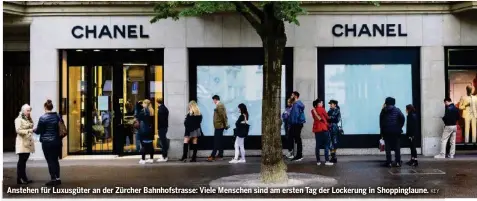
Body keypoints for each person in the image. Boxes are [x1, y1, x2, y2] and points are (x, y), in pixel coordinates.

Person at [34, 100, 62, 186]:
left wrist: (34, 130)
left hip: (47, 143)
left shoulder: (42, 118)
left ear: (45, 107)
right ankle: (58, 178)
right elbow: (61, 128)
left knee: (50, 161)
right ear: (52, 107)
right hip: (57, 142)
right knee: (55, 160)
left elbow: (38, 131)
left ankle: (53, 179)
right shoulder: (58, 116)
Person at [379, 97, 405, 167]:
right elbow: (402, 118)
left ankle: (389, 162)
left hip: (386, 131)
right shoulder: (397, 110)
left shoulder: (383, 110)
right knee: (397, 147)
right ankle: (398, 162)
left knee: (388, 147)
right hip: (396, 131)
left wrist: (382, 132)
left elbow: (381, 122)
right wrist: (400, 126)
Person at [15, 104, 35, 184]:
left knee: (24, 161)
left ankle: (24, 178)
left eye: (29, 110)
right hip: (22, 143)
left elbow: (31, 125)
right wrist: (29, 130)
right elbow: (18, 130)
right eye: (27, 110)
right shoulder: (18, 119)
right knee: (21, 161)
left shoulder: (28, 118)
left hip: (28, 142)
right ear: (23, 111)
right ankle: (20, 178)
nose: (29, 112)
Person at [312, 99, 333, 166]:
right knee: (326, 144)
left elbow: (315, 118)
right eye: (322, 103)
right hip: (323, 128)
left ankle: (318, 161)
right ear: (319, 103)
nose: (322, 104)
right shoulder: (322, 109)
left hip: (316, 129)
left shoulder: (313, 110)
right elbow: (327, 117)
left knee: (317, 145)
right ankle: (327, 160)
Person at [207, 95, 229, 162]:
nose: (213, 101)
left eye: (213, 100)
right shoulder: (219, 105)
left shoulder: (219, 105)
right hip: (219, 126)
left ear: (215, 99)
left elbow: (223, 116)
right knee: (219, 140)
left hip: (219, 126)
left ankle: (213, 155)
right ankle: (220, 154)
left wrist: (225, 125)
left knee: (216, 141)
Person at [288, 91, 306, 161]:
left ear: (295, 96)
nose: (290, 96)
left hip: (296, 124)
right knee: (296, 139)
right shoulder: (296, 104)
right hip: (297, 124)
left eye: (292, 95)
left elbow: (295, 115)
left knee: (296, 139)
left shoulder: (296, 104)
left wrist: (292, 123)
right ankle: (297, 154)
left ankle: (299, 155)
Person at [136, 99, 155, 164]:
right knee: (150, 145)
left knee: (143, 145)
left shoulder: (143, 111)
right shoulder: (152, 110)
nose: (142, 104)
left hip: (144, 130)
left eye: (143, 103)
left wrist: (137, 105)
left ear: (146, 104)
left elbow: (138, 117)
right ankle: (151, 158)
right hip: (150, 130)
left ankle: (143, 159)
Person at [156, 98, 170, 162]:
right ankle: (164, 156)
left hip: (162, 128)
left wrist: (158, 128)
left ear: (157, 102)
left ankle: (164, 156)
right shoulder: (164, 108)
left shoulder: (161, 109)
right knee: (163, 141)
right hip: (164, 127)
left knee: (163, 142)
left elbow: (161, 120)